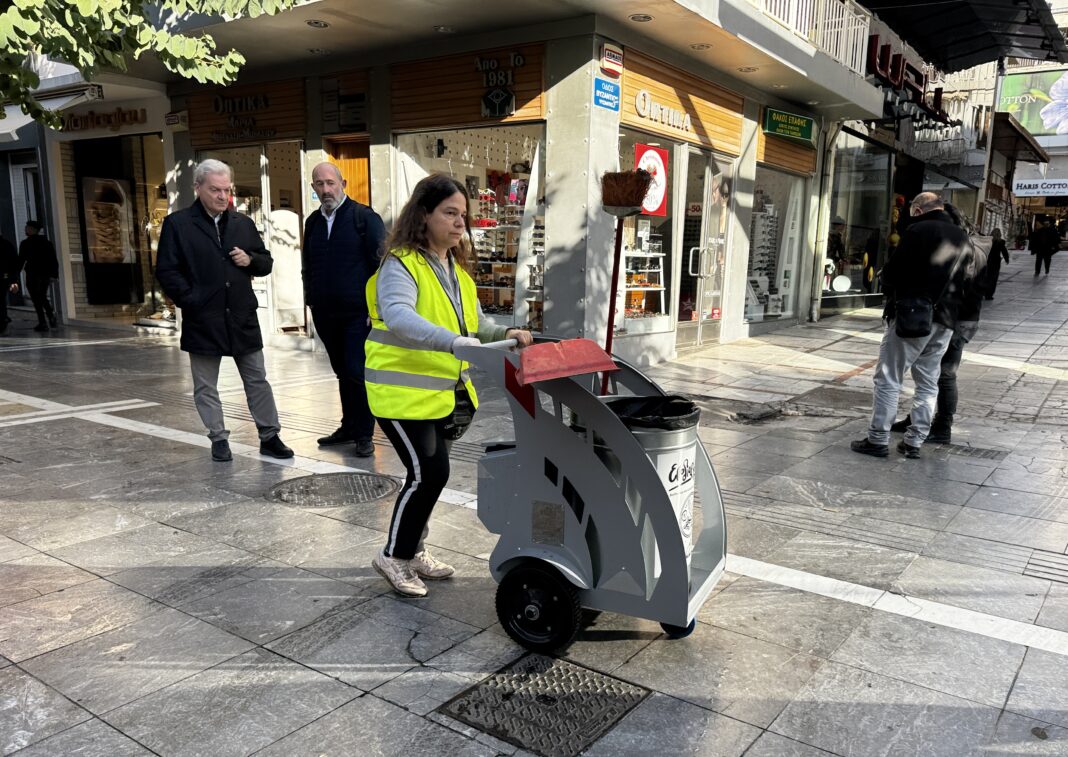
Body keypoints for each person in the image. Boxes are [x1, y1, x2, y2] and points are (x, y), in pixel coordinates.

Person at [366, 173, 533, 597]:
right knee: (430, 474)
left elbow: (476, 325)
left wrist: (507, 334)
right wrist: (456, 343)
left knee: (427, 476)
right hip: (399, 394)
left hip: (443, 394)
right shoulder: (401, 264)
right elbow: (401, 318)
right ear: (424, 215)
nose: (461, 224)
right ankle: (394, 555)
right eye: (450, 213)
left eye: (463, 215)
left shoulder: (457, 272)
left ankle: (413, 549)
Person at [156, 159, 293, 463]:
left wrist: (251, 260)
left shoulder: (242, 223)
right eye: (215, 189)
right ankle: (218, 437)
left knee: (257, 379)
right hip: (203, 318)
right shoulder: (178, 224)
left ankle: (270, 435)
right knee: (206, 385)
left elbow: (266, 262)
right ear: (198, 187)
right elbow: (167, 271)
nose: (222, 196)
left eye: (226, 190)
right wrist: (192, 301)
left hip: (241, 316)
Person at [851, 192, 971, 460]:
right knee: (929, 381)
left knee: (889, 377)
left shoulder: (917, 230)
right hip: (946, 320)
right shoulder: (962, 236)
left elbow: (893, 273)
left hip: (913, 315)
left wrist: (886, 277)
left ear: (918, 210)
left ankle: (878, 438)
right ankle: (914, 442)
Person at [301, 162, 385, 457]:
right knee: (341, 372)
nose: (326, 189)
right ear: (313, 188)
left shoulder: (363, 218)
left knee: (355, 371)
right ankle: (349, 426)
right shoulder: (312, 222)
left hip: (357, 314)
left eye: (330, 183)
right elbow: (308, 265)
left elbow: (381, 267)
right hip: (325, 312)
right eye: (319, 184)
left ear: (342, 183)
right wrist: (311, 299)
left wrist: (375, 310)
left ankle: (364, 434)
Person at [890, 203, 987, 445]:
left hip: (957, 318)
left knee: (943, 374)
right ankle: (916, 420)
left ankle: (943, 426)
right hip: (951, 316)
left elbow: (968, 288)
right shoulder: (962, 243)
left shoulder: (966, 246)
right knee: (928, 373)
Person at [18, 220, 59, 332]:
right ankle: (50, 316)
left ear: (32, 230)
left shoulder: (25, 244)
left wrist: (14, 274)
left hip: (32, 274)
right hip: (45, 274)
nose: (25, 230)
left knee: (36, 299)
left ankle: (42, 322)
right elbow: (53, 260)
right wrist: (54, 275)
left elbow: (21, 261)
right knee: (42, 296)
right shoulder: (47, 243)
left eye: (27, 228)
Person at [0, 232, 20, 334]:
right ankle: (3, 320)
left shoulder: (6, 245)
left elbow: (13, 263)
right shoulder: (7, 244)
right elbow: (14, 263)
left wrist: (14, 281)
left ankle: (3, 321)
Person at [984, 228, 1010, 300]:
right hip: (995, 262)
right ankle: (989, 294)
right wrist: (1007, 259)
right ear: (1000, 234)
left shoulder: (987, 241)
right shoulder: (1001, 242)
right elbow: (1004, 252)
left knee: (986, 277)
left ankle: (983, 291)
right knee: (993, 279)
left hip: (987, 261)